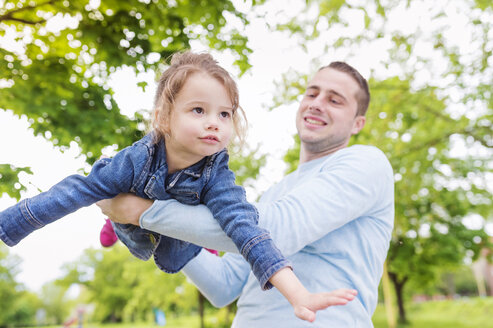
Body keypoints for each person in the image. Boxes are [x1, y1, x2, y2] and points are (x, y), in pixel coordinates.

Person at [0, 51, 356, 322]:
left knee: (181, 251)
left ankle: (136, 221)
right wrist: (12, 224)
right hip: (128, 205)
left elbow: (250, 233)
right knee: (109, 201)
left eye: (224, 114)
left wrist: (296, 294)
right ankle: (113, 223)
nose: (213, 123)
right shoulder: (135, 160)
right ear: (163, 117)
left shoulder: (218, 176)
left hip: (171, 231)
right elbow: (76, 191)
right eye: (198, 110)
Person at [97, 61, 395, 327]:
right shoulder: (274, 193)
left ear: (358, 123)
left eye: (335, 100)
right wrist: (156, 219)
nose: (317, 103)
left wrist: (145, 211)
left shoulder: (366, 163)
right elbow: (224, 286)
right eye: (312, 93)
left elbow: (279, 230)